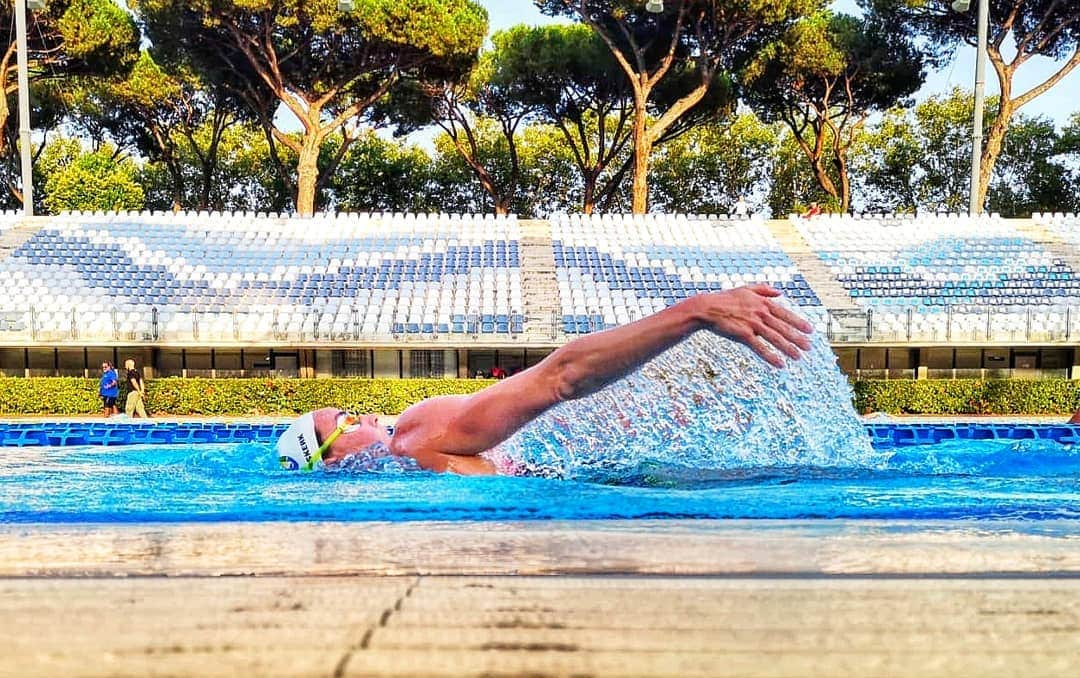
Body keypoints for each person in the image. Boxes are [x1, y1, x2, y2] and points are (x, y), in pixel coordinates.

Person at [277, 285, 814, 475]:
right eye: (346, 420)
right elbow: (560, 377)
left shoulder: (412, 456)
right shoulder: (415, 435)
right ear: (332, 460)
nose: (367, 415)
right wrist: (693, 313)